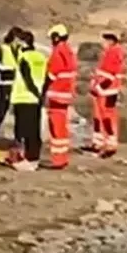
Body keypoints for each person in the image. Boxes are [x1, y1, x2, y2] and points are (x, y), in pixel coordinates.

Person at [10, 30, 47, 172]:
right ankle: (34, 158)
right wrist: (41, 95)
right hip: (35, 99)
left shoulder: (23, 57)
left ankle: (28, 160)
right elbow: (45, 77)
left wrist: (34, 92)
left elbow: (27, 78)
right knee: (34, 131)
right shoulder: (41, 57)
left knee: (24, 131)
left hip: (24, 97)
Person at [42, 23, 78, 169]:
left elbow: (52, 73)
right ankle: (62, 157)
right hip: (66, 94)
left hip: (56, 94)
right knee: (62, 127)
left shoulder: (58, 52)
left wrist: (43, 89)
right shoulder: (69, 52)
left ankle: (58, 159)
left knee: (55, 127)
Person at [87, 31, 126, 158]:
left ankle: (110, 145)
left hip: (108, 91)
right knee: (99, 117)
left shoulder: (114, 53)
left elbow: (111, 75)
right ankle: (98, 143)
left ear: (111, 41)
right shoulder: (110, 52)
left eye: (104, 41)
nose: (102, 43)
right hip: (102, 90)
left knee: (107, 118)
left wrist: (98, 87)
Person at [0, 27, 22, 141]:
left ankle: (18, 137)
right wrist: (0, 69)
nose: (19, 41)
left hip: (17, 85)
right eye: (17, 38)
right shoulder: (2, 49)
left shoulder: (20, 49)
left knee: (18, 112)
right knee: (2, 111)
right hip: (5, 84)